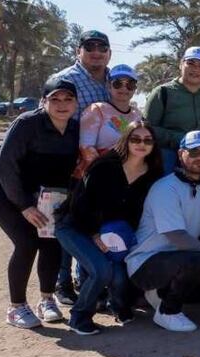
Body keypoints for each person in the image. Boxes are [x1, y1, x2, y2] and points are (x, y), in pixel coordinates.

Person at [0, 77, 80, 329]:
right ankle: (16, 307)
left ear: (76, 103)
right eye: (55, 99)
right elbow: (6, 166)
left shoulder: (75, 129)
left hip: (39, 190)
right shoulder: (26, 123)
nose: (62, 104)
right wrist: (24, 206)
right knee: (27, 240)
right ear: (44, 101)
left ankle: (47, 300)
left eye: (68, 99)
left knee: (51, 239)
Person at [124, 131, 200, 332]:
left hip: (177, 260)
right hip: (145, 264)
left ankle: (159, 294)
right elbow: (176, 237)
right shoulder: (165, 188)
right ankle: (168, 311)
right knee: (197, 259)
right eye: (194, 152)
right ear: (180, 154)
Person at [56, 122, 162, 334]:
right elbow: (79, 205)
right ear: (126, 140)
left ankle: (118, 306)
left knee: (121, 274)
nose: (141, 144)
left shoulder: (152, 173)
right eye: (136, 139)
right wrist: (94, 234)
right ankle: (79, 317)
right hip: (76, 226)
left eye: (147, 140)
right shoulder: (105, 165)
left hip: (114, 234)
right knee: (101, 271)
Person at [144, 46, 200, 173]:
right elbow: (147, 129)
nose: (195, 69)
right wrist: (181, 139)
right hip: (170, 160)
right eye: (190, 63)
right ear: (181, 64)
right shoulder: (162, 93)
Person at [76, 63, 143, 178]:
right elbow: (86, 148)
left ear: (135, 89)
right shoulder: (96, 110)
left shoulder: (137, 115)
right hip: (98, 177)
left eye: (130, 84)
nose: (124, 88)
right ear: (108, 86)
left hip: (131, 177)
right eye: (118, 84)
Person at [55, 30, 112, 118]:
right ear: (78, 52)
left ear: (110, 54)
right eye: (89, 47)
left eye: (102, 48)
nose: (96, 53)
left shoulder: (119, 82)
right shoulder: (62, 80)